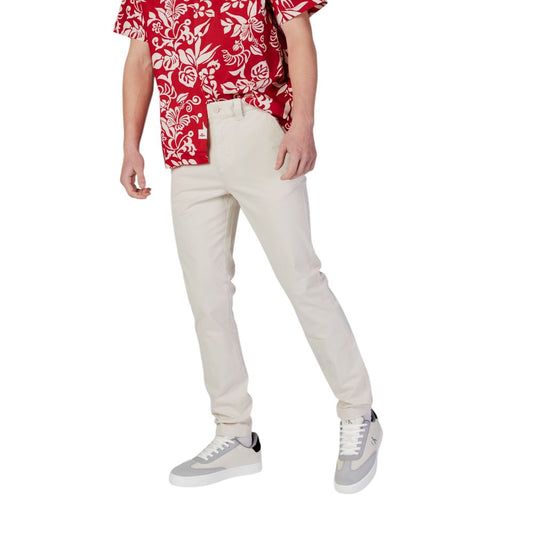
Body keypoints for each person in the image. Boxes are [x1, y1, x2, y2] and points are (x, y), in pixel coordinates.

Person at [113, 0, 383, 493]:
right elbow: (140, 57)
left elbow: (297, 33)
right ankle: (234, 432)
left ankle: (358, 412)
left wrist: (303, 126)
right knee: (207, 298)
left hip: (257, 127)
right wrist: (131, 145)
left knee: (301, 278)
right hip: (186, 144)